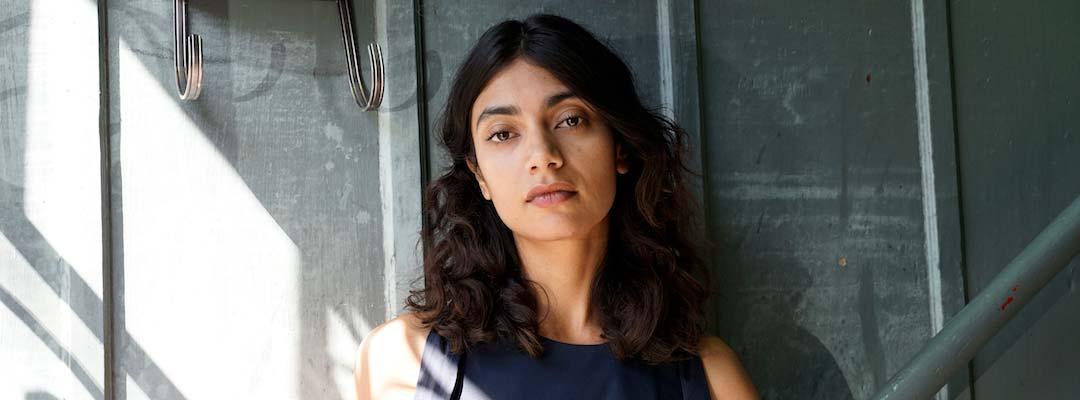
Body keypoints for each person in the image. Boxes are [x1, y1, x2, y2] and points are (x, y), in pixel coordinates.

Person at [354, 13, 758, 400]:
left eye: (570, 120)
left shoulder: (709, 375)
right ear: (479, 175)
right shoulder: (401, 362)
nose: (543, 156)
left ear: (619, 148)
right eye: (503, 133)